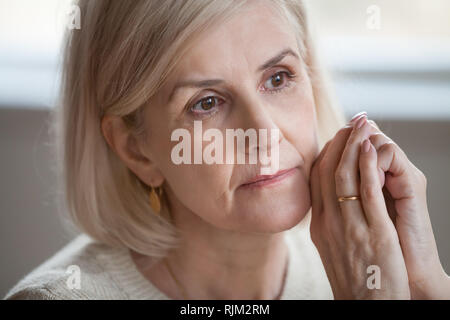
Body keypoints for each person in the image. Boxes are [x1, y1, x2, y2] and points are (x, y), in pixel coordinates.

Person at [5, 0, 450, 300]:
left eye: (278, 77)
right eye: (207, 103)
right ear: (136, 150)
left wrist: (428, 288)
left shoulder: (362, 267)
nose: (265, 134)